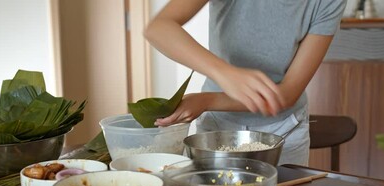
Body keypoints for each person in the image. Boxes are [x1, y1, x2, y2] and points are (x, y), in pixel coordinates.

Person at [144, 0, 347, 166]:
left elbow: (286, 95)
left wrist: (207, 100)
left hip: (285, 130)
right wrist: (225, 74)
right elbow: (159, 28)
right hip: (218, 128)